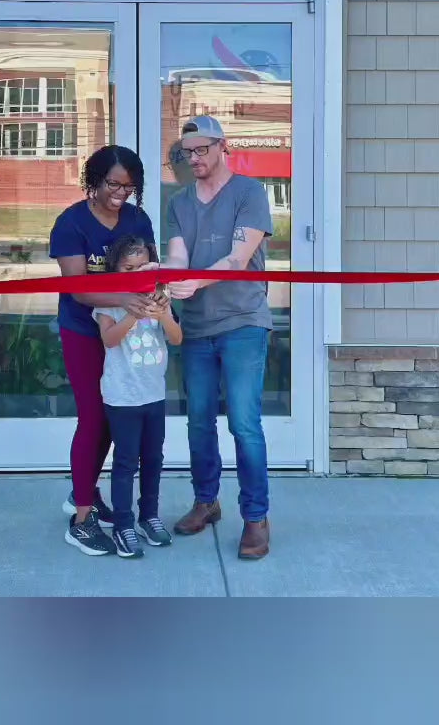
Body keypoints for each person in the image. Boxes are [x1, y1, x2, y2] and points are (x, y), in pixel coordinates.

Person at [164, 116, 273, 560]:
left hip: (244, 321)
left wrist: (194, 281)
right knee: (198, 421)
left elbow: (238, 258)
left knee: (244, 424)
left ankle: (256, 518)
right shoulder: (179, 202)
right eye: (187, 152)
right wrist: (168, 276)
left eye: (201, 150)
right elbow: (178, 258)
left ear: (221, 146)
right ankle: (206, 501)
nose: (193, 158)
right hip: (196, 327)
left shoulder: (250, 193)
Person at [49, 145, 165, 557]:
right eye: (113, 184)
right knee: (94, 417)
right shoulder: (71, 223)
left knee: (118, 419)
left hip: (129, 332)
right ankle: (81, 520)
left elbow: (151, 271)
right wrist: (126, 298)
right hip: (84, 331)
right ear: (94, 180)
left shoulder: (138, 220)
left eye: (128, 187)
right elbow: (77, 289)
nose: (120, 193)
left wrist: (156, 297)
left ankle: (84, 492)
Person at [93, 235, 182, 559]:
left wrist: (163, 315)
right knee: (126, 461)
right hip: (122, 397)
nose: (135, 273)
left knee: (154, 459)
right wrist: (132, 314)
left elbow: (177, 338)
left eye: (142, 266)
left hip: (153, 395)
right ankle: (122, 523)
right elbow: (109, 340)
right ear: (115, 270)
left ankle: (149, 516)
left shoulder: (160, 297)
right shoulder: (109, 303)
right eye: (128, 268)